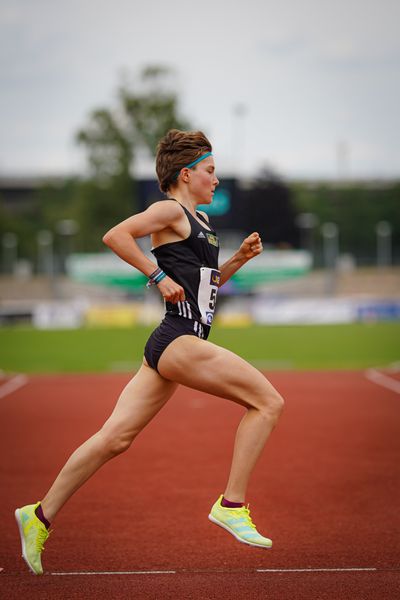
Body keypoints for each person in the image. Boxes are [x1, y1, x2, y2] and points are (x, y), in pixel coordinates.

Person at [15, 129, 284, 575]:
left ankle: (39, 515)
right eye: (211, 172)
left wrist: (237, 261)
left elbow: (205, 290)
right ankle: (232, 504)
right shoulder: (169, 210)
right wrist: (157, 276)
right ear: (186, 174)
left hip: (172, 342)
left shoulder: (201, 223)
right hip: (180, 340)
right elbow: (116, 236)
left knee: (114, 438)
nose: (217, 180)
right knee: (268, 402)